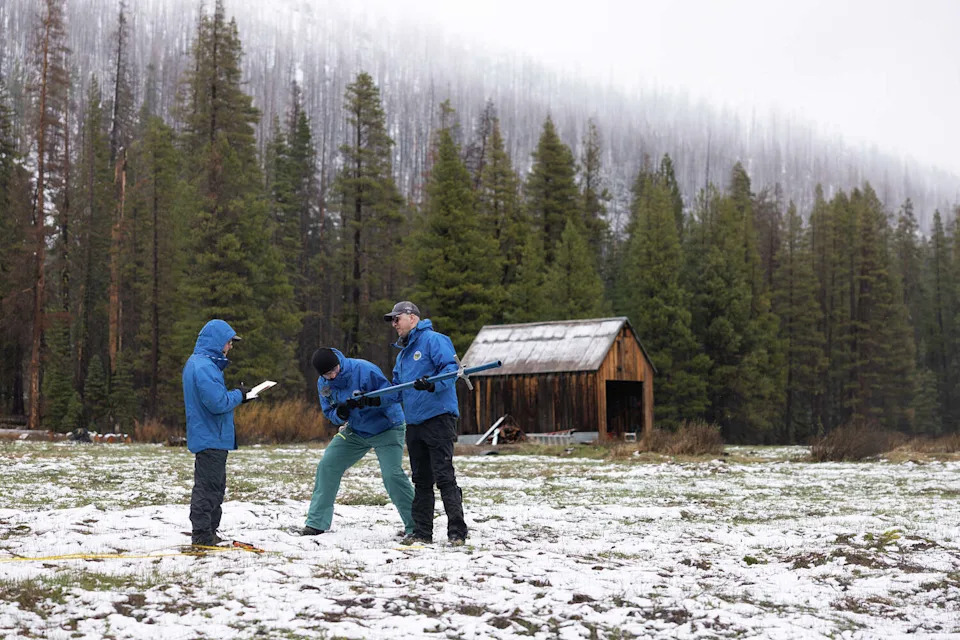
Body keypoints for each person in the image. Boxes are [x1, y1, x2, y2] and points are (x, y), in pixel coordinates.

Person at [301, 347, 415, 538]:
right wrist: (341, 414)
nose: (332, 375)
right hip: (356, 430)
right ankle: (316, 523)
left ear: (339, 362)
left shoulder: (363, 369)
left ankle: (416, 525)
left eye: (334, 369)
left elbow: (394, 394)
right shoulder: (323, 384)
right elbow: (329, 412)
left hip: (387, 427)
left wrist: (371, 400)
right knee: (327, 465)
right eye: (327, 374)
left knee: (391, 475)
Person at [384, 301, 467, 546]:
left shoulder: (434, 340)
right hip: (415, 422)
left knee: (444, 476)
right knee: (421, 480)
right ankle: (422, 532)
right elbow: (396, 390)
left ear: (412, 317)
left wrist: (431, 382)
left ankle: (457, 532)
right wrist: (367, 399)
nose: (394, 324)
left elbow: (452, 369)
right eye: (392, 320)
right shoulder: (402, 356)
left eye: (397, 318)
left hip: (438, 417)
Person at [182, 319, 252, 547]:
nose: (230, 346)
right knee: (208, 487)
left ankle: (209, 532)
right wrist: (239, 395)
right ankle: (202, 535)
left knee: (215, 486)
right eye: (229, 342)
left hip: (211, 436)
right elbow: (218, 402)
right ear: (217, 342)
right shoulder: (203, 367)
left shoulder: (202, 364)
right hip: (210, 437)